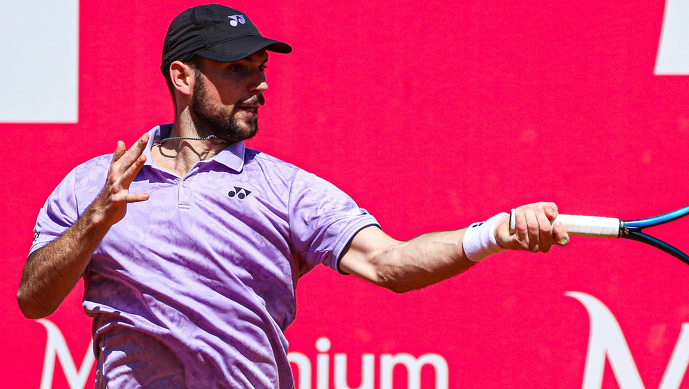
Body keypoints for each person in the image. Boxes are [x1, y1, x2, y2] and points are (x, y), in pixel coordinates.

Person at [17, 4, 569, 388]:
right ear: (182, 78)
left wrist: (495, 233)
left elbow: (392, 263)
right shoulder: (95, 184)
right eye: (237, 70)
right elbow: (33, 300)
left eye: (260, 70)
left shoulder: (284, 190)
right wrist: (96, 221)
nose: (259, 85)